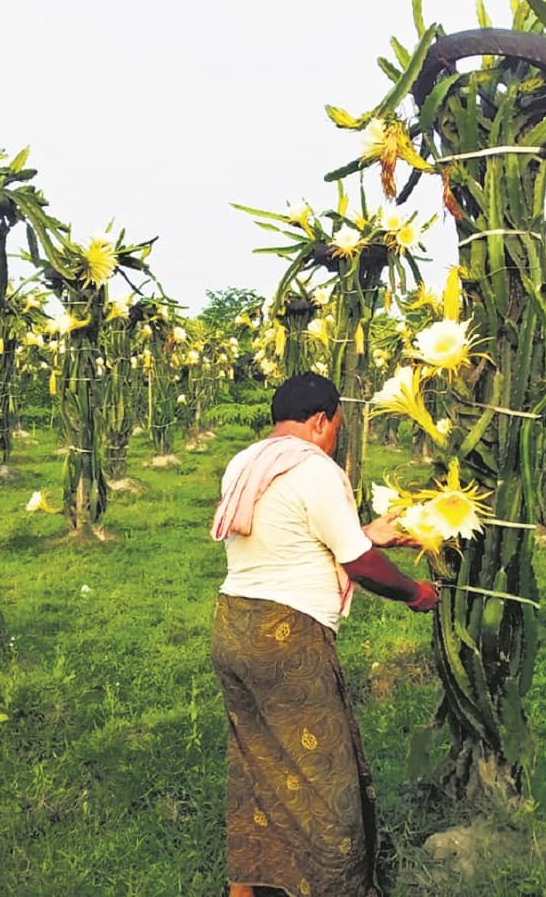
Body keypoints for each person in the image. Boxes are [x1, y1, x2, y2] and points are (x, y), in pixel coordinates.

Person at [210, 372, 439, 897]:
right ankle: (335, 887)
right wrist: (416, 594)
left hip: (233, 625)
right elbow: (358, 563)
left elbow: (290, 532)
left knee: (256, 760)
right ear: (320, 421)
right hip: (286, 636)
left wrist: (366, 532)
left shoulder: (245, 463)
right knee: (325, 775)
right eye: (335, 427)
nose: (334, 437)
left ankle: (249, 886)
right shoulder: (316, 469)